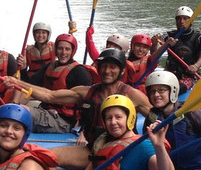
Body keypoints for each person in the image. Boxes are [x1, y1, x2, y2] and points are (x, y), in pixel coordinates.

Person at [9, 47, 149, 147]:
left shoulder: (133, 95)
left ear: (121, 71)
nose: (107, 71)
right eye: (104, 67)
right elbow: (50, 96)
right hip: (93, 148)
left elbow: (156, 117)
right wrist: (16, 82)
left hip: (121, 148)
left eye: (112, 67)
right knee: (46, 158)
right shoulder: (86, 92)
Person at [10, 33, 92, 133]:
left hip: (63, 121)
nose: (63, 52)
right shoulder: (51, 66)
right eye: (60, 48)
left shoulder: (79, 71)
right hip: (47, 112)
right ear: (56, 50)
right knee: (14, 107)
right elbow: (30, 83)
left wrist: (84, 129)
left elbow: (89, 101)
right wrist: (23, 69)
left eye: (67, 49)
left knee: (18, 111)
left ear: (72, 51)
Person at [160, 4, 201, 74]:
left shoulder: (200, 38)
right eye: (178, 18)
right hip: (170, 73)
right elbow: (154, 52)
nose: (181, 21)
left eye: (185, 19)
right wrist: (155, 43)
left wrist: (196, 66)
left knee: (183, 85)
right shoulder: (168, 36)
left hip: (188, 74)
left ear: (191, 21)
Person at [17, 21, 55, 85]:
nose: (40, 35)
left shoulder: (53, 47)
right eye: (38, 33)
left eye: (43, 33)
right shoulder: (28, 50)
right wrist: (21, 64)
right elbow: (23, 70)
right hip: (33, 80)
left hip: (48, 78)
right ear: (34, 35)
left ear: (48, 35)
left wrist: (70, 31)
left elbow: (66, 46)